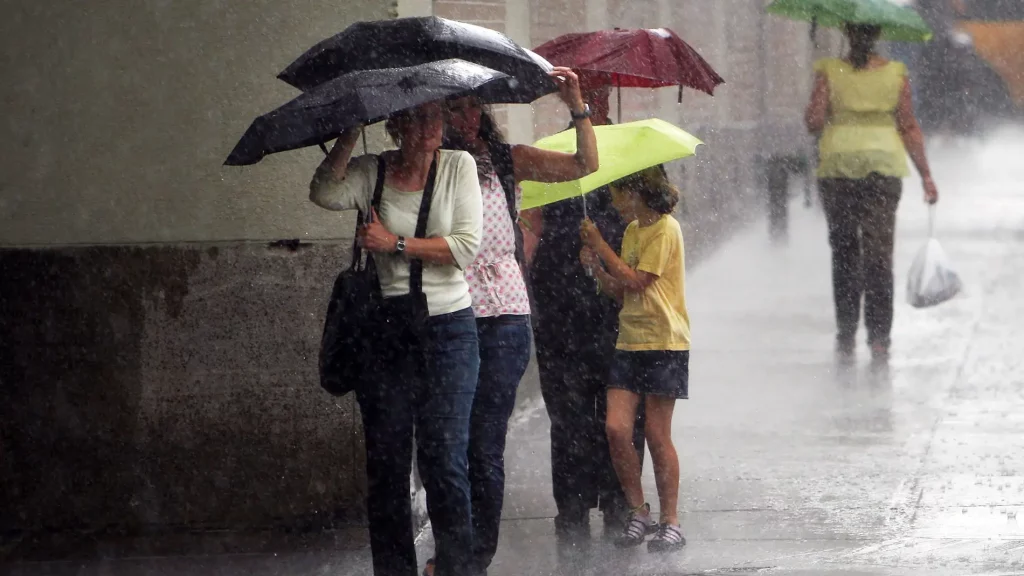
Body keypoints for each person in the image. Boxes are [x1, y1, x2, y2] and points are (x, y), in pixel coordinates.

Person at [419, 68, 599, 576]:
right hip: (448, 313)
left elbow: (585, 163)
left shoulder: (507, 159)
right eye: (455, 108)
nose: (468, 117)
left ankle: (474, 557)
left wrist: (576, 106)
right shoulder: (431, 165)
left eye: (475, 106)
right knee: (446, 444)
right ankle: (454, 551)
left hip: (505, 319)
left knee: (485, 441)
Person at [309, 101, 483, 576]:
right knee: (386, 466)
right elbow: (324, 191)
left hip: (448, 328)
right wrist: (348, 134)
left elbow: (465, 246)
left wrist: (396, 244)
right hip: (384, 331)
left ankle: (455, 569)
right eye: (419, 118)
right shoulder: (372, 171)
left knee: (444, 460)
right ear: (397, 124)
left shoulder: (458, 166)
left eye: (436, 117)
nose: (431, 127)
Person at [523, 77, 647, 539]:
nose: (594, 102)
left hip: (619, 301)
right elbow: (531, 223)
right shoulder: (554, 155)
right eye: (585, 95)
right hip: (560, 303)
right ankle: (573, 507)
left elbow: (653, 222)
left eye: (599, 94)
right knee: (569, 412)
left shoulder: (634, 157)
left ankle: (620, 502)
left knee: (620, 414)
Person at [805, 23, 939, 363]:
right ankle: (879, 337)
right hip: (883, 170)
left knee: (844, 250)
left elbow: (814, 121)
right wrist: (926, 175)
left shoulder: (829, 71)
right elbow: (908, 125)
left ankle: (847, 331)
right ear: (877, 36)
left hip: (838, 169)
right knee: (879, 254)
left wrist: (829, 92)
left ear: (848, 35)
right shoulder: (896, 73)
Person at [578, 165, 689, 553]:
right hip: (629, 342)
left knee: (657, 435)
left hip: (664, 342)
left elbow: (640, 280)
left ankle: (671, 520)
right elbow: (623, 292)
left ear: (637, 192)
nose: (613, 202)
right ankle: (638, 510)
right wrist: (596, 268)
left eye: (617, 193)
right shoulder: (630, 232)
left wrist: (600, 244)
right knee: (616, 429)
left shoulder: (665, 230)